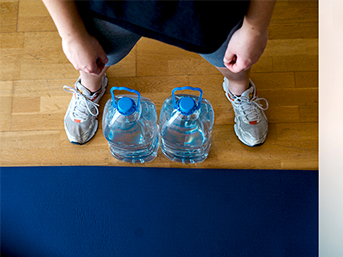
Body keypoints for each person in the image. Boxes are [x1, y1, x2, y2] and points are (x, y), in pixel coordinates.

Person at [42, 0, 276, 147]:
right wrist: (71, 35)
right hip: (115, 8)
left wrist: (255, 28)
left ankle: (240, 90)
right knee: (96, 61)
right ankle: (90, 87)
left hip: (208, 12)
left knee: (235, 66)